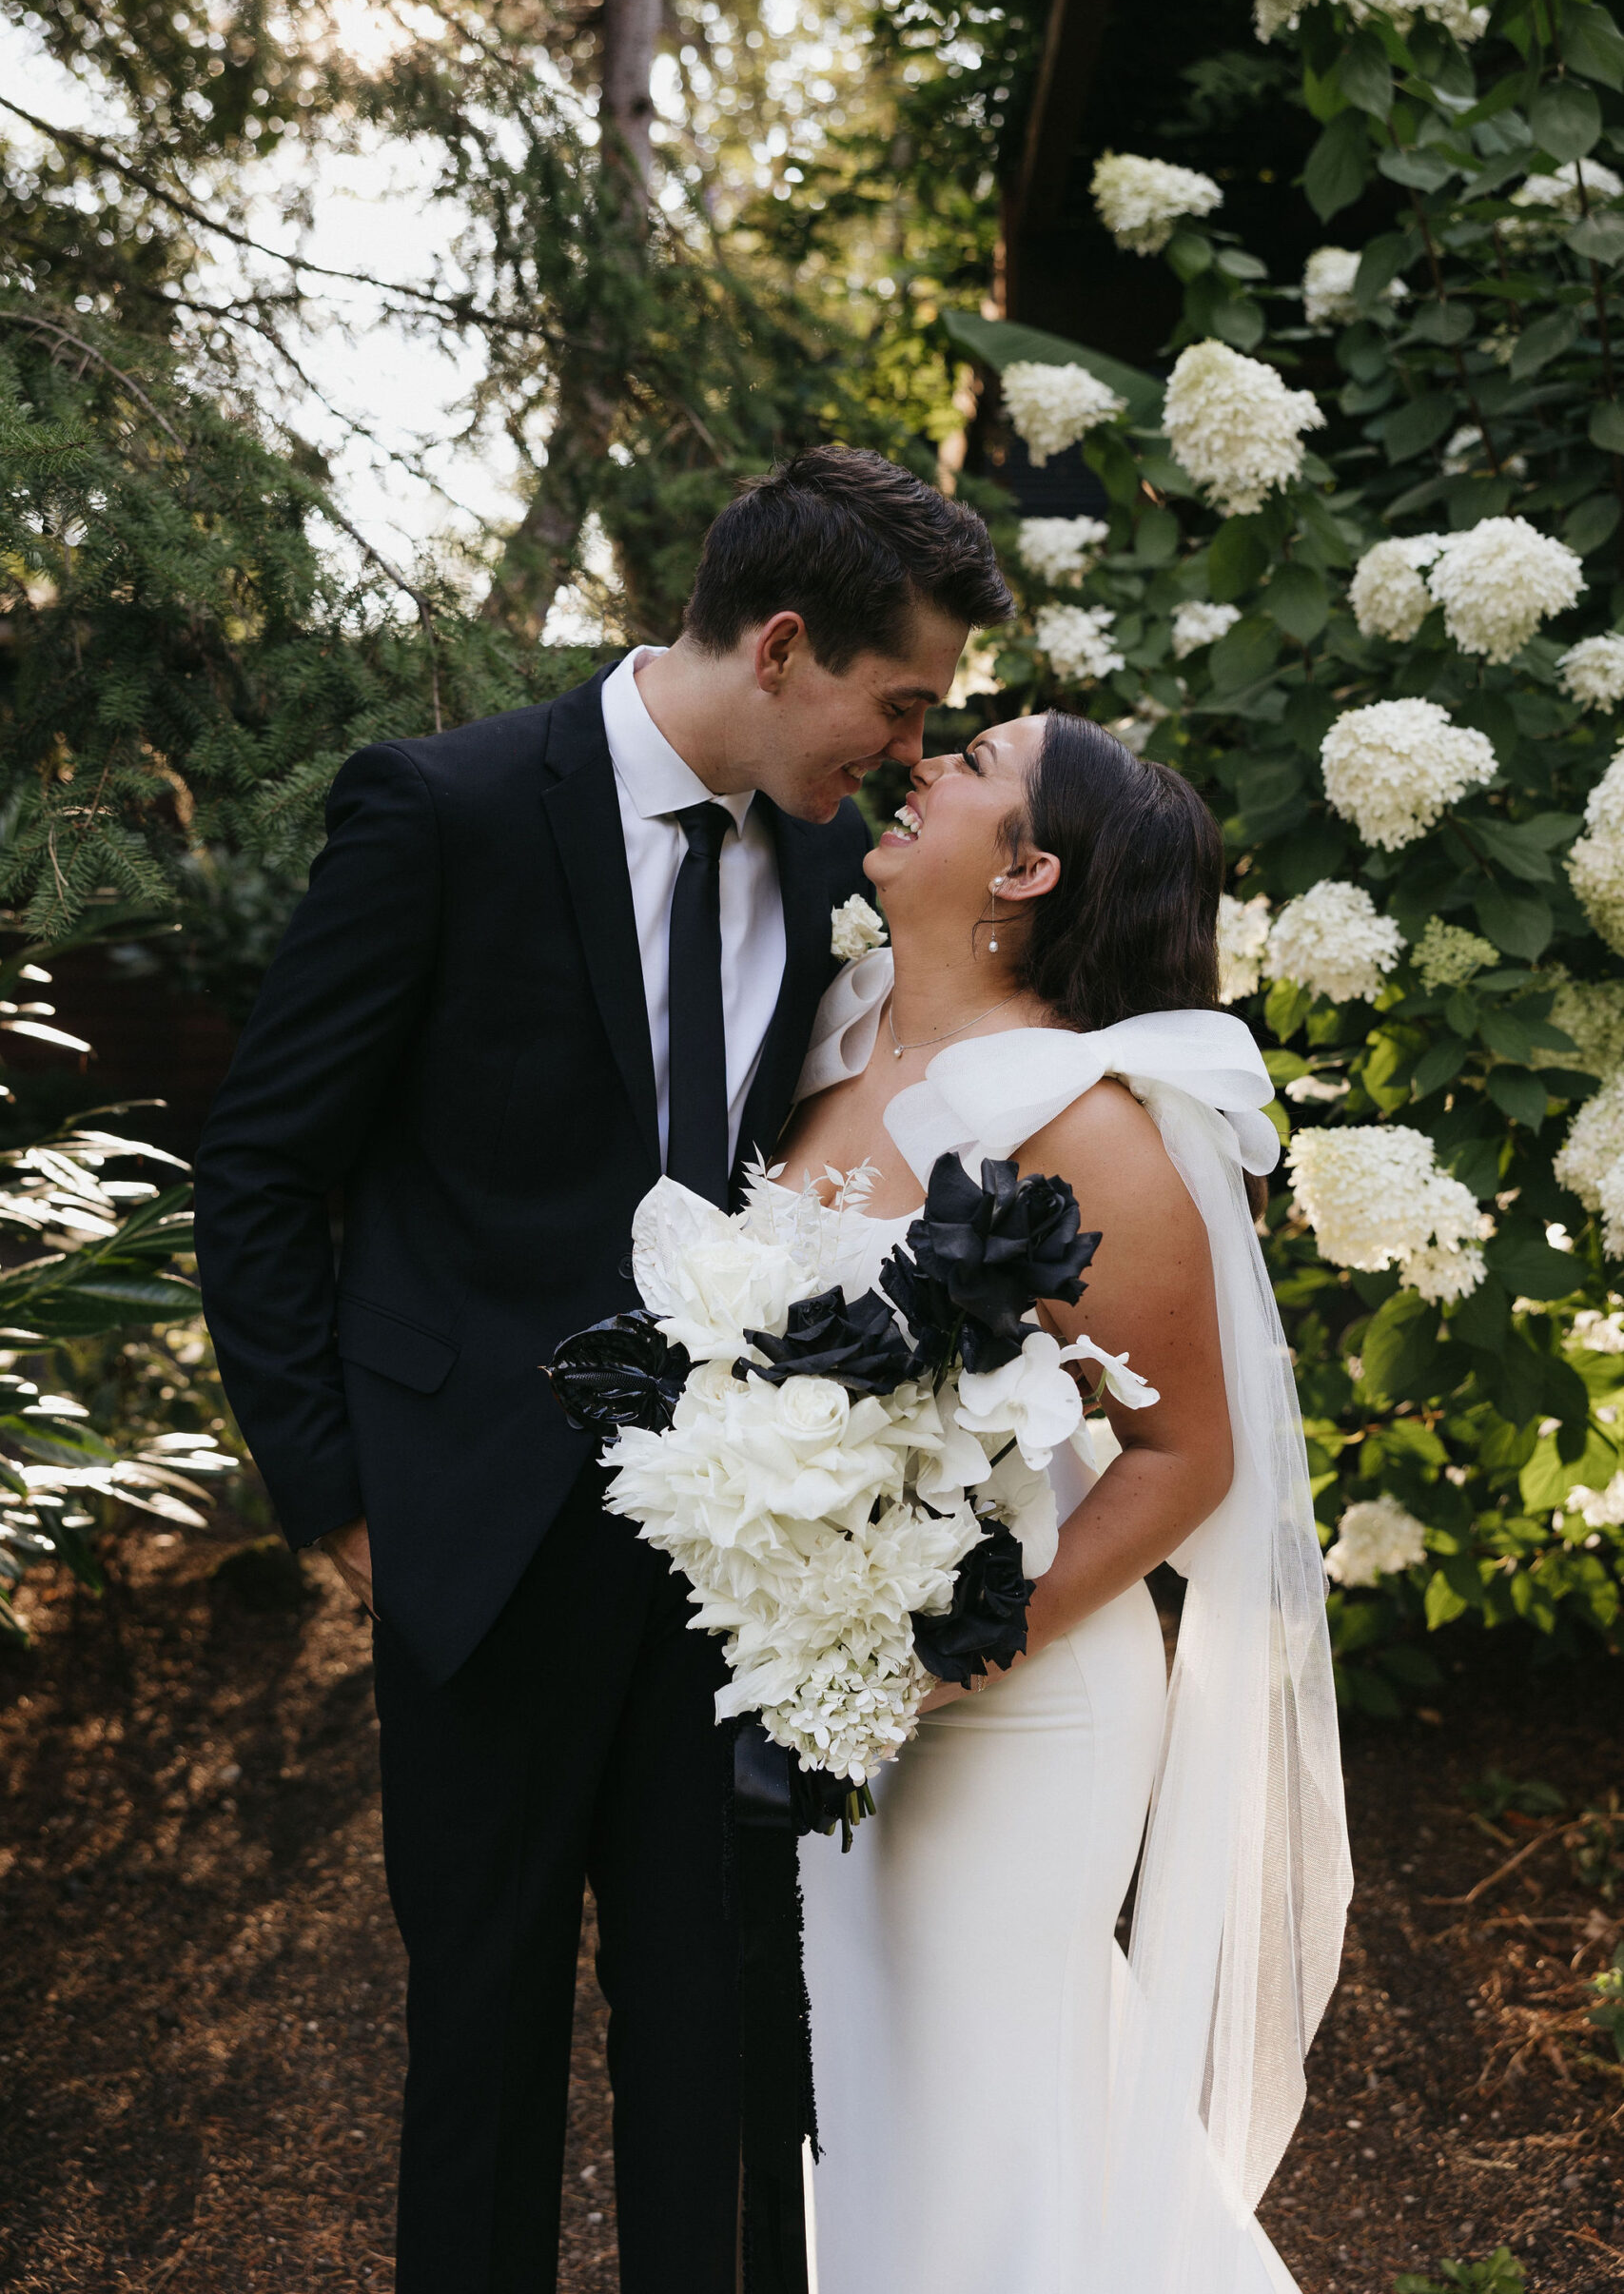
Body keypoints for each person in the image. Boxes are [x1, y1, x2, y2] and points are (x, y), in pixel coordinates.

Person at [190, 445, 1013, 2294]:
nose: (902, 751)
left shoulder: (816, 859)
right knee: (478, 2038)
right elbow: (258, 1166)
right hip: (469, 1532)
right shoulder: (444, 808)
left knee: (716, 2030)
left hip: (721, 1561)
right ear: (783, 644)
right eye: (896, 704)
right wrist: (335, 1494)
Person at [778, 711, 1352, 2293]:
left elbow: (1187, 1459)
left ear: (1025, 868)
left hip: (1014, 1698)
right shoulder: (832, 1027)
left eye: (971, 762)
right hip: (825, 1683)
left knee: (995, 2118)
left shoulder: (1078, 1120)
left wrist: (952, 1648)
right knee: (888, 2107)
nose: (925, 763)